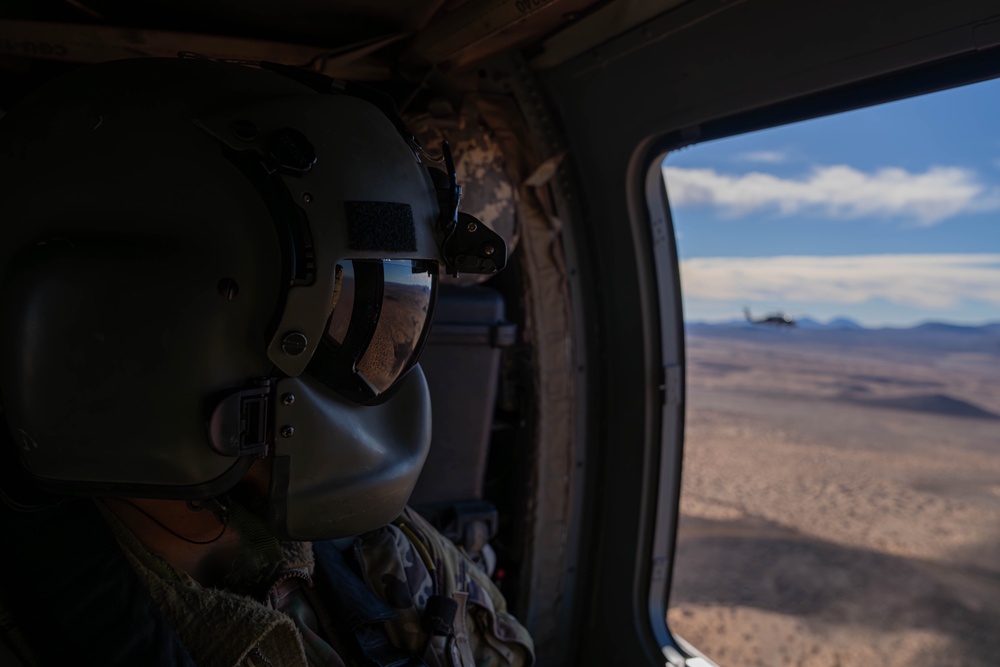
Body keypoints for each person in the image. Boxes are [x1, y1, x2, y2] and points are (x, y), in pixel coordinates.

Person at [0, 57, 532, 667]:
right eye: (336, 319)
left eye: (391, 310)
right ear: (152, 333)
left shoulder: (378, 542)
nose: (386, 371)